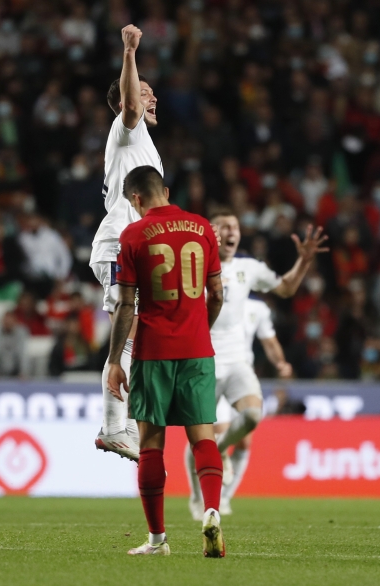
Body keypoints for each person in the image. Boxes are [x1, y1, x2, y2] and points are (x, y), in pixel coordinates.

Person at [106, 166, 225, 557]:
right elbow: (217, 295)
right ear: (166, 191)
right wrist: (198, 330)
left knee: (151, 445)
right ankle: (211, 511)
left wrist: (113, 360)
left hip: (153, 351)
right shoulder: (203, 228)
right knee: (203, 438)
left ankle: (158, 539)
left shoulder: (133, 235)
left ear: (136, 198)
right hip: (197, 351)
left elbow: (125, 305)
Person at [185, 211, 326, 519]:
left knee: (251, 415)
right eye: (224, 226)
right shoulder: (192, 263)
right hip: (200, 360)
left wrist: (303, 261)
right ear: (211, 231)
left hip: (237, 361)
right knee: (198, 435)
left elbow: (286, 289)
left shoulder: (248, 268)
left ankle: (221, 450)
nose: (231, 231)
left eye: (235, 226)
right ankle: (197, 499)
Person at [89, 24, 163, 461]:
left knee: (137, 332)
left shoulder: (144, 145)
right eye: (144, 91)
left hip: (133, 245)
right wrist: (130, 52)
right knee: (129, 328)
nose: (152, 98)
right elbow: (132, 105)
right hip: (118, 243)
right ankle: (114, 427)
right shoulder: (126, 128)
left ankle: (121, 423)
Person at [186, 296, 292, 519]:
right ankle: (197, 497)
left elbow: (269, 341)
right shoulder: (205, 298)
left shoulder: (258, 308)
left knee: (244, 439)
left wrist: (281, 363)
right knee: (208, 435)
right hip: (210, 371)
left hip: (240, 376)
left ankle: (224, 498)